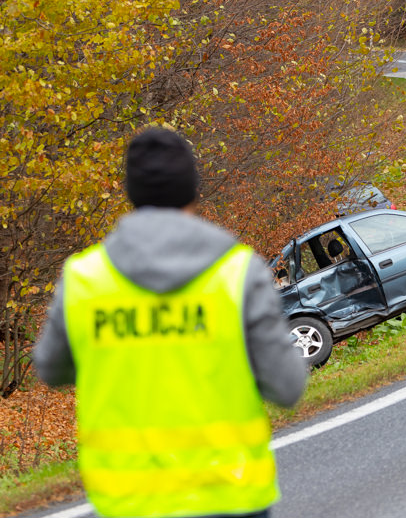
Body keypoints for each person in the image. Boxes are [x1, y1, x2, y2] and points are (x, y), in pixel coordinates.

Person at [33, 126, 308, 518]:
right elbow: (288, 386)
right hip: (230, 497)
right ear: (193, 190)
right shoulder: (237, 272)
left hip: (128, 502)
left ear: (130, 193)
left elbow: (50, 368)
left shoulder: (84, 278)